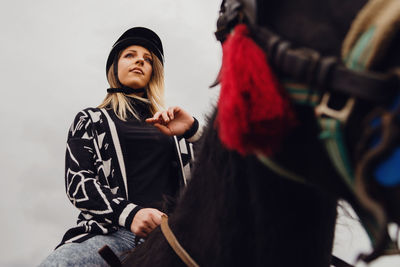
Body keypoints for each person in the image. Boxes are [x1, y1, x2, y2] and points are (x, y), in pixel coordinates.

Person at [39, 27, 201, 266]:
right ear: (114, 67)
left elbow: (217, 178)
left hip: (173, 242)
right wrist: (130, 214)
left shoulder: (174, 127)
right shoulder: (91, 119)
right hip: (113, 234)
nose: (139, 61)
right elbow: (78, 181)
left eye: (147, 59)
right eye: (130, 55)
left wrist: (194, 132)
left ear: (153, 72)